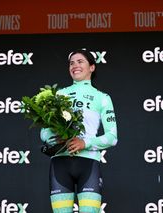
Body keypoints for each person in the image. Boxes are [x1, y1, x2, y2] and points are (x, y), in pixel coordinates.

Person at [40, 49, 118, 213]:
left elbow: (112, 137)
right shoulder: (58, 95)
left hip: (88, 164)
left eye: (80, 61)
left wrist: (85, 143)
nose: (75, 65)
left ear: (92, 67)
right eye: (71, 63)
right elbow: (44, 133)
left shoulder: (102, 97)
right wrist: (56, 137)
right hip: (60, 164)